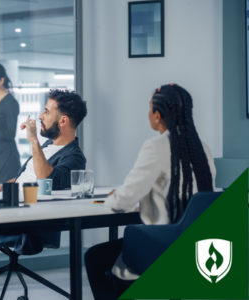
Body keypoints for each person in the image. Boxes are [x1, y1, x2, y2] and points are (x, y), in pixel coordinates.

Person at [84, 84, 216, 300]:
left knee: (94, 257)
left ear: (157, 115)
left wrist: (112, 199)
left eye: (149, 108)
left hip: (161, 244)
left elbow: (123, 200)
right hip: (196, 245)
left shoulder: (156, 146)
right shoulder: (202, 148)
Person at [0, 89, 87, 193]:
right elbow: (29, 176)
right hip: (12, 196)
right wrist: (3, 187)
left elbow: (48, 180)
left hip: (28, 205)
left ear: (63, 121)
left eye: (47, 112)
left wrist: (34, 140)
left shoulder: (75, 158)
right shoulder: (48, 145)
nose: (41, 116)